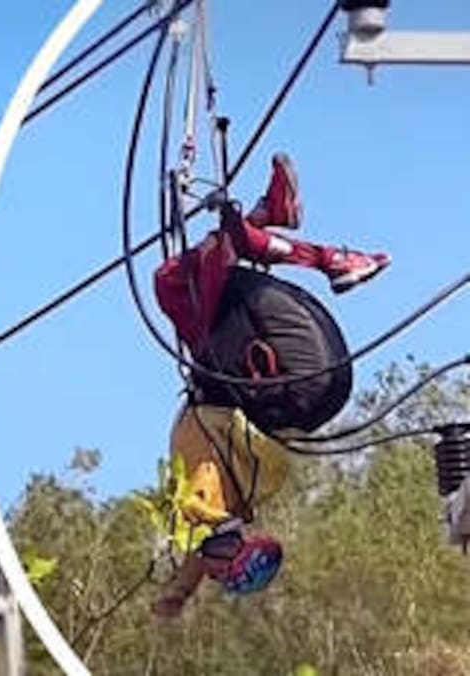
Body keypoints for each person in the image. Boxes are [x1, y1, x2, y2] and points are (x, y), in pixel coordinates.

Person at [150, 154, 391, 617]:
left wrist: (177, 595)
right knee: (175, 282)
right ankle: (326, 257)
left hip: (282, 384)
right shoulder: (214, 500)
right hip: (265, 380)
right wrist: (181, 587)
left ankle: (269, 218)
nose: (211, 569)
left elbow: (201, 554)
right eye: (221, 570)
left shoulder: (244, 495)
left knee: (205, 269)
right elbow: (205, 544)